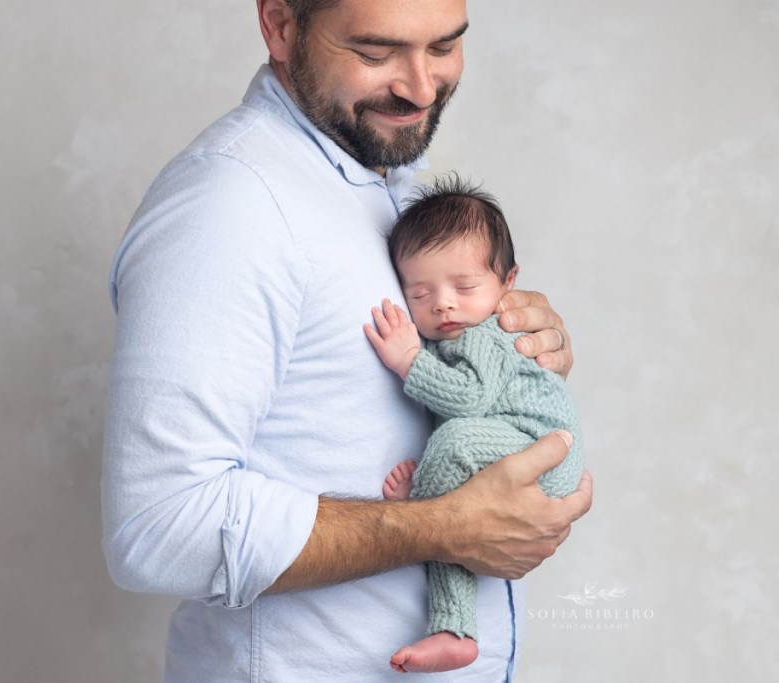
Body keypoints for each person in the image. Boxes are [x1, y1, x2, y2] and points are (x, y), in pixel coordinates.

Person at [102, 1, 592, 680]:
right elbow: (160, 527)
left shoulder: (387, 188)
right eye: (375, 52)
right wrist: (445, 524)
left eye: (444, 47)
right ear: (281, 26)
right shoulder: (229, 204)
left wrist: (518, 353)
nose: (421, 88)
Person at [364, 176, 585, 673]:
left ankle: (426, 506)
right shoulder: (452, 332)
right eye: (420, 292)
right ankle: (453, 629)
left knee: (455, 442)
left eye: (464, 287)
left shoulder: (486, 332)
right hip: (518, 446)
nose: (443, 303)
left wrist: (409, 361)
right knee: (454, 520)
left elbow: (468, 398)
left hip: (541, 449)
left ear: (508, 282)